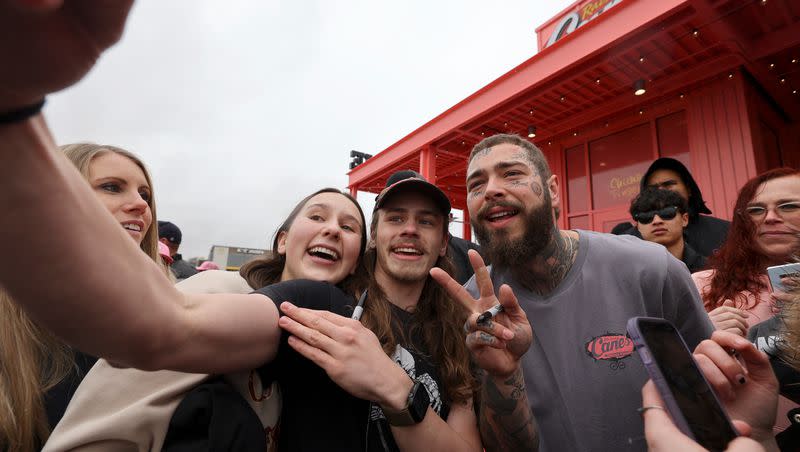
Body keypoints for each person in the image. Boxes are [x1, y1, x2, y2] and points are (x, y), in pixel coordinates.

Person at [432, 133, 715, 451]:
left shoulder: (650, 270)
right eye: (476, 185)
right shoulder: (473, 312)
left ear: (552, 191)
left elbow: (715, 401)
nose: (492, 190)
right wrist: (503, 377)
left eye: (512, 173)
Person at [45, 187, 367, 451]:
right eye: (317, 216)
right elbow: (106, 421)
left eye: (349, 227)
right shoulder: (220, 290)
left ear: (356, 262)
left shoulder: (341, 353)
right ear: (282, 241)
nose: (332, 229)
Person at [0, 142, 169, 451]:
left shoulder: (163, 321)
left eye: (144, 194)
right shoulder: (11, 316)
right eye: (112, 187)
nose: (140, 205)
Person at [693, 168, 800, 336]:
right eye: (756, 210)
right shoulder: (703, 285)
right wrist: (702, 333)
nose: (770, 217)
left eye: (788, 206)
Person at [612, 157, 730, 258]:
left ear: (688, 189)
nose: (661, 191)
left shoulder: (727, 231)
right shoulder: (625, 243)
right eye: (653, 188)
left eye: (669, 184)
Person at [629, 187, 706, 272]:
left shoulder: (710, 270)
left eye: (667, 213)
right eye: (646, 216)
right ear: (638, 226)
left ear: (684, 219)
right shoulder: (628, 273)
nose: (657, 221)